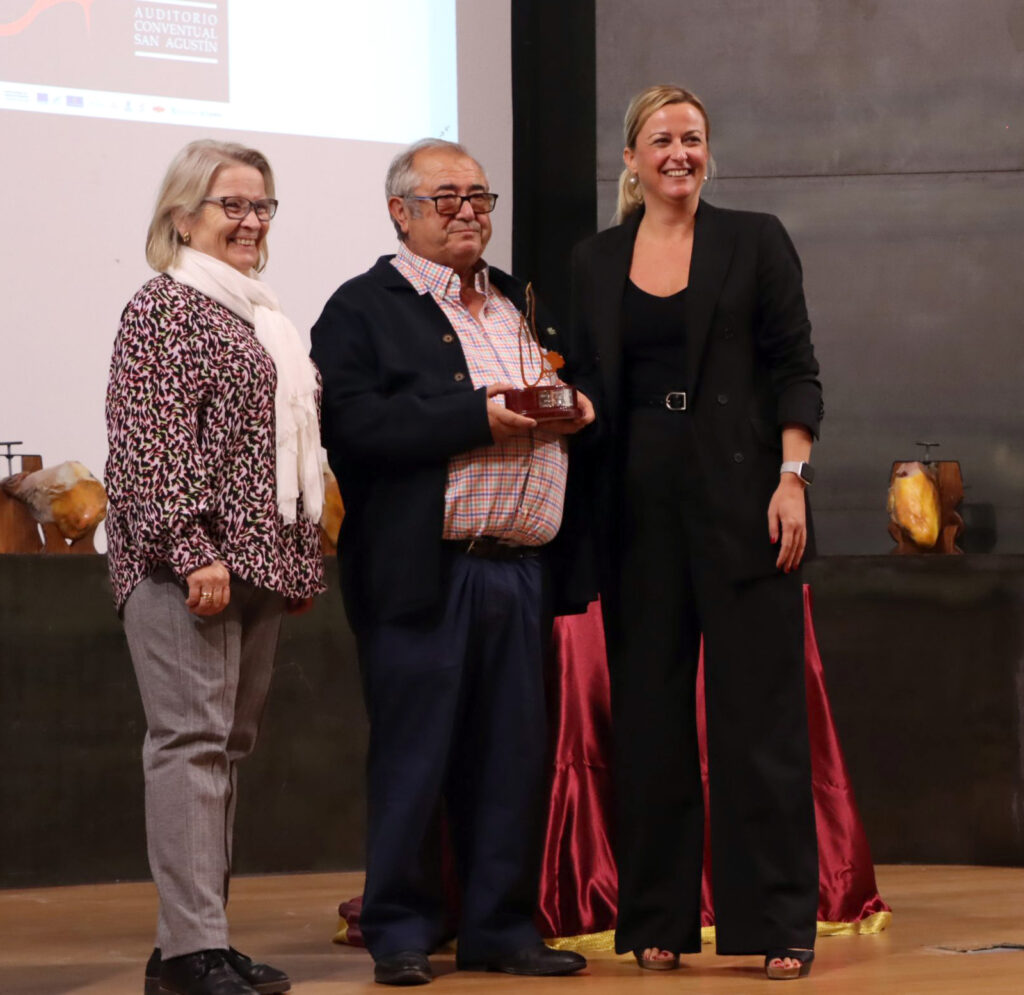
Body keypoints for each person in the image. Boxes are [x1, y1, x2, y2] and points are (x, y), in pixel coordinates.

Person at [311, 138, 594, 987]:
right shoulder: (361, 307)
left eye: (480, 196)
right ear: (400, 212)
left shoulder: (517, 302)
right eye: (447, 197)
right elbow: (353, 429)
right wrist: (478, 417)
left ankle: (500, 926)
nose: (469, 211)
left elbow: (554, 391)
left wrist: (575, 407)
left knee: (512, 756)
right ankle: (400, 927)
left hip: (520, 566)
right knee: (415, 754)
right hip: (425, 568)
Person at [569, 85, 823, 980]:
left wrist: (791, 478)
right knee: (649, 724)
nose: (680, 152)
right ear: (630, 159)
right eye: (661, 139)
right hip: (637, 507)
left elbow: (796, 367)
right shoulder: (595, 259)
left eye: (693, 137)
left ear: (708, 151)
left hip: (747, 500)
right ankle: (657, 919)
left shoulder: (754, 238)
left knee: (760, 725)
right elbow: (586, 381)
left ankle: (779, 926)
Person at [105, 139, 325, 995]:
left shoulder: (258, 314)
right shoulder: (164, 307)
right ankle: (194, 949)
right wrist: (194, 547)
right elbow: (151, 443)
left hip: (258, 565)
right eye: (231, 204)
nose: (250, 221)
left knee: (224, 749)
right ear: (181, 215)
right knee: (191, 744)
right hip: (182, 564)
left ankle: (191, 946)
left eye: (262, 205)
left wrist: (291, 559)